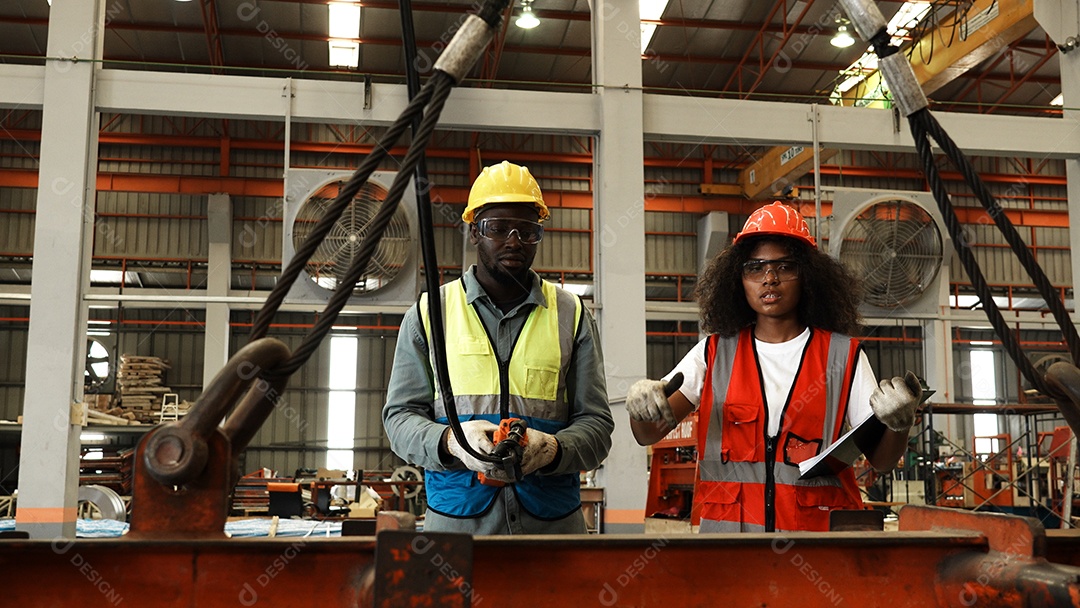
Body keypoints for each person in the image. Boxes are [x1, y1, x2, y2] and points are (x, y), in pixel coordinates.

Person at [626, 201, 921, 533]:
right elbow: (648, 433)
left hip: (817, 549)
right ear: (738, 278)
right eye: (755, 267)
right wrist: (642, 407)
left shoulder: (843, 356)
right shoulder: (713, 354)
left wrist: (899, 424)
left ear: (807, 276)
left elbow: (881, 461)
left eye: (784, 267)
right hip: (733, 554)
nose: (769, 279)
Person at [383, 161, 613, 534]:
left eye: (527, 231)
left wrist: (553, 450)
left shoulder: (571, 314)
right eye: (497, 228)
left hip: (552, 525)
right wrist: (452, 443)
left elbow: (598, 425)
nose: (513, 241)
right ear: (474, 231)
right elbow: (399, 419)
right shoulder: (430, 315)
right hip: (458, 524)